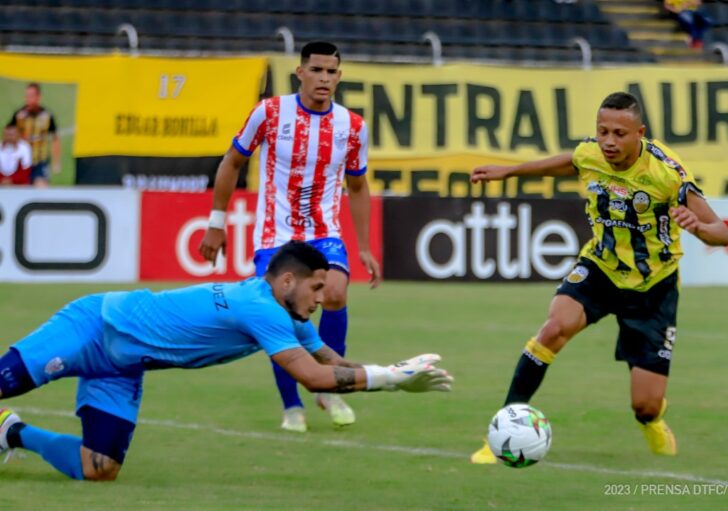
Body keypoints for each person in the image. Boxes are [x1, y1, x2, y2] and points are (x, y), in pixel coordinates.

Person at [0, 241, 452, 481]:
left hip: (123, 365)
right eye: (316, 289)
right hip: (94, 327)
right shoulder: (261, 307)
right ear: (288, 281)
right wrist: (389, 381)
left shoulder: (292, 316)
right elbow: (315, 379)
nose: (322, 299)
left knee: (98, 468)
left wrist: (392, 373)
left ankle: (10, 431)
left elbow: (334, 362)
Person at [468, 91, 728, 464]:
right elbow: (569, 162)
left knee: (644, 405)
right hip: (601, 268)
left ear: (640, 132)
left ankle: (652, 419)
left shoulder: (666, 173)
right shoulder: (593, 153)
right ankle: (501, 430)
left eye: (619, 134)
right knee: (553, 329)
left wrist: (697, 227)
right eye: (602, 131)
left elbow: (722, 232)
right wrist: (509, 170)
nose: (609, 141)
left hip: (652, 286)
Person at [199, 41, 382, 433]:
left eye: (331, 72)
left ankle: (328, 386)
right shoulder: (268, 113)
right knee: (283, 313)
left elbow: (358, 185)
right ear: (300, 72)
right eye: (316, 70)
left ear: (339, 76)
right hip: (275, 234)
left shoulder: (352, 126)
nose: (324, 78)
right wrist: (217, 222)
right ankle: (291, 405)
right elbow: (232, 161)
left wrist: (364, 245)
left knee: (334, 292)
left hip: (324, 233)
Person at [8, 82, 61, 187]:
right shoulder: (19, 115)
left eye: (31, 96)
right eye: (27, 96)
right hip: (21, 162)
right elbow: (8, 136)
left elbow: (55, 138)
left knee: (41, 188)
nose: (28, 99)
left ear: (38, 97)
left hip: (40, 161)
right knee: (18, 190)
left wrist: (56, 162)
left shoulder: (46, 115)